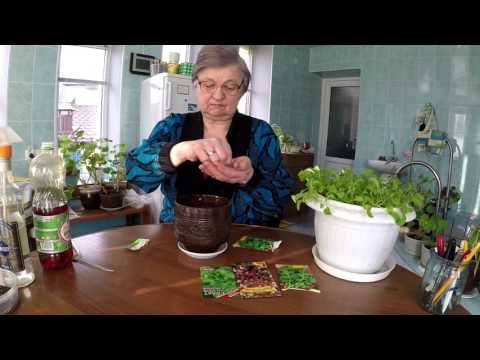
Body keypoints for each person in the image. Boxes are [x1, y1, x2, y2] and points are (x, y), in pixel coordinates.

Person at [126, 45, 294, 227]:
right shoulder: (172, 126)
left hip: (240, 239)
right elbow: (136, 178)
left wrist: (250, 178)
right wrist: (177, 152)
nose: (218, 95)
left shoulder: (261, 133)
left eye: (230, 87)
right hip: (178, 236)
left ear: (242, 90)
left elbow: (281, 199)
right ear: (196, 85)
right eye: (208, 84)